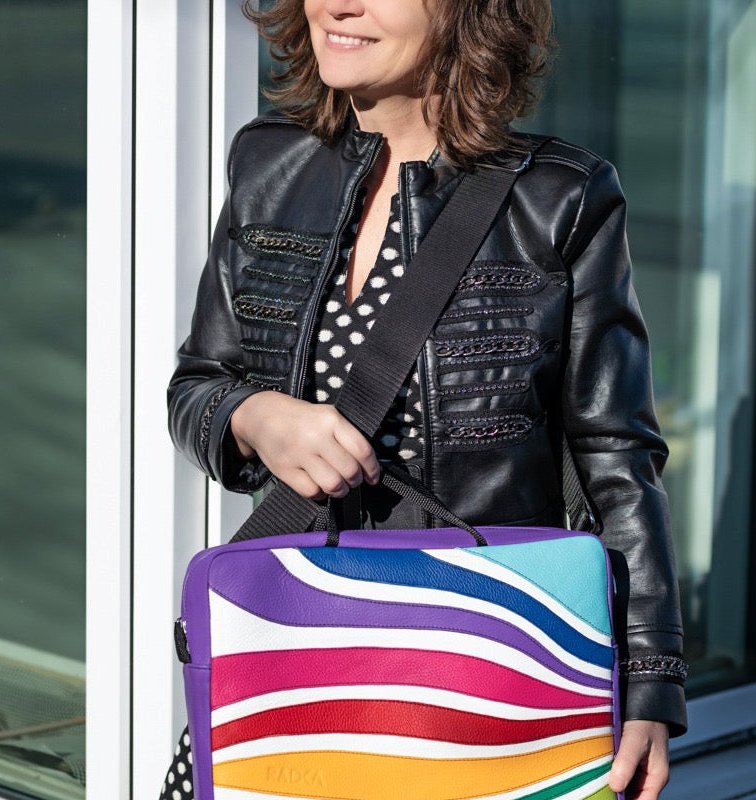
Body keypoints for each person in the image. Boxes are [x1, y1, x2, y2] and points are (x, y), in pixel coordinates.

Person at [163, 1, 688, 798]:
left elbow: (616, 456)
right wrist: (254, 417)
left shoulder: (562, 199)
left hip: (485, 670)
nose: (338, 4)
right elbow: (199, 383)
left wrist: (649, 680)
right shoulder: (267, 166)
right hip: (301, 661)